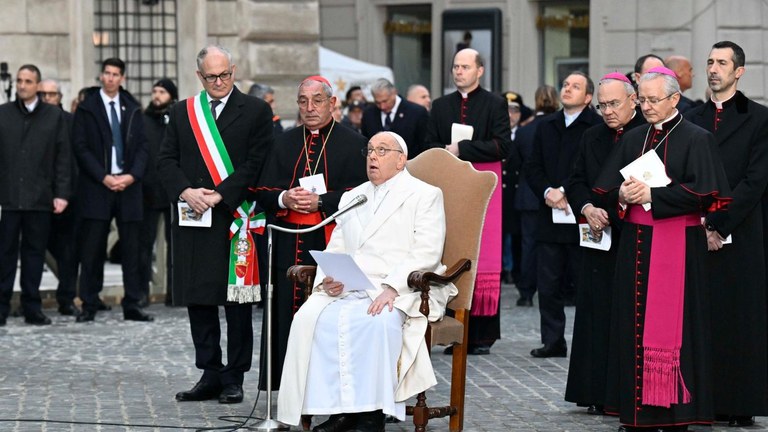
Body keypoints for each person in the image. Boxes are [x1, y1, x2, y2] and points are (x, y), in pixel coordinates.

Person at [277, 131, 458, 431]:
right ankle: (338, 412)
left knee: (376, 321)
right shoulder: (354, 196)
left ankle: (372, 415)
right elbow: (337, 245)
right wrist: (330, 278)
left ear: (401, 161)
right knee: (311, 318)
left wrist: (392, 288)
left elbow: (427, 250)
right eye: (370, 150)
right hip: (352, 285)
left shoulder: (424, 194)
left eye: (383, 150)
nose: (373, 156)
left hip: (402, 287)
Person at [594, 67, 731, 431]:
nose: (648, 106)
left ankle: (674, 414)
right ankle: (634, 413)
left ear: (674, 98)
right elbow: (607, 188)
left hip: (679, 246)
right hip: (635, 246)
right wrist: (621, 196)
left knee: (678, 329)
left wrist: (655, 194)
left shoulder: (697, 138)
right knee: (631, 325)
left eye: (655, 100)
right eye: (643, 100)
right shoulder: (633, 137)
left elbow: (706, 192)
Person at [158, 45, 273, 404]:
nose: (220, 81)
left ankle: (234, 376)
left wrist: (220, 195)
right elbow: (165, 160)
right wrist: (186, 190)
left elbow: (257, 162)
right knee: (200, 299)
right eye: (212, 77)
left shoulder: (255, 110)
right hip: (195, 217)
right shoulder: (182, 112)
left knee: (237, 302)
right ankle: (209, 372)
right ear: (199, 77)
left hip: (235, 217)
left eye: (225, 74)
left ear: (234, 71)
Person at [254, 76, 368, 392]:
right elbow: (262, 191)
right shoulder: (282, 142)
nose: (310, 108)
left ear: (332, 103)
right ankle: (286, 389)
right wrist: (284, 198)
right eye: (303, 101)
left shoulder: (355, 143)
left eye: (317, 100)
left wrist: (322, 200)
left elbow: (365, 193)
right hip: (287, 239)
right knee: (283, 316)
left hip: (331, 240)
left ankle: (328, 391)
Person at [685, 41, 768, 427]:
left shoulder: (759, 119)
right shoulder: (690, 117)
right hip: (692, 230)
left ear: (739, 71)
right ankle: (699, 399)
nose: (713, 69)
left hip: (741, 231)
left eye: (722, 63)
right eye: (709, 62)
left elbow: (755, 180)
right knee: (698, 317)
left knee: (738, 317)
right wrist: (701, 221)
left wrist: (718, 223)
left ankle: (739, 402)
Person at [564, 73, 645, 414]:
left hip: (634, 236)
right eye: (602, 105)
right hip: (598, 237)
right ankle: (596, 389)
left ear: (633, 101)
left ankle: (627, 391)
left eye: (614, 104)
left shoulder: (647, 134)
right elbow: (576, 179)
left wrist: (611, 206)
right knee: (596, 313)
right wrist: (586, 207)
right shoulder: (592, 135)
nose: (608, 111)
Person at [426, 48, 511, 355]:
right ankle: (451, 327)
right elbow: (429, 145)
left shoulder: (495, 103)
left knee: (481, 255)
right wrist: (446, 149)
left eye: (465, 67)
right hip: (449, 190)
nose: (459, 71)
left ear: (480, 71)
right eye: (456, 67)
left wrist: (462, 148)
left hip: (483, 191)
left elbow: (502, 146)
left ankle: (481, 336)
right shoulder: (440, 106)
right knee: (452, 251)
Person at [525, 71, 601, 358]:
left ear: (589, 96)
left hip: (583, 216)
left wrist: (569, 192)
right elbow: (532, 167)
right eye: (566, 85)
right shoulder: (545, 126)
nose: (567, 89)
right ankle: (553, 340)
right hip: (549, 216)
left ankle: (587, 342)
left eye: (576, 86)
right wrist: (548, 192)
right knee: (548, 284)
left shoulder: (596, 126)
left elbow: (592, 169)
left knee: (584, 284)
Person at [72, 58, 151, 323]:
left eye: (116, 74)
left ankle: (133, 303)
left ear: (122, 78)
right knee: (92, 249)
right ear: (101, 76)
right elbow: (80, 148)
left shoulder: (133, 108)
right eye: (106, 73)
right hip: (97, 187)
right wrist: (103, 176)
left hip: (129, 187)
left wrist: (131, 176)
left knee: (132, 249)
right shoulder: (88, 108)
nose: (110, 78)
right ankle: (89, 303)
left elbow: (143, 147)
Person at [0, 65, 71, 326]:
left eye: (27, 81)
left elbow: (63, 157)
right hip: (7, 199)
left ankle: (32, 307)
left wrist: (62, 193)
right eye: (19, 80)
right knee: (4, 255)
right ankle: (1, 306)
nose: (21, 85)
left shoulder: (54, 116)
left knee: (34, 255)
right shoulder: (3, 114)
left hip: (40, 198)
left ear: (37, 86)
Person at [513, 85, 560, 307]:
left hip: (528, 196)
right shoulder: (559, 127)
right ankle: (559, 289)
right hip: (558, 193)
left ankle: (526, 292)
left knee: (529, 245)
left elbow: (516, 163)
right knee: (557, 245)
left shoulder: (524, 131)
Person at [39, 78, 80, 316]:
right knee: (34, 252)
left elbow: (75, 160)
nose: (46, 99)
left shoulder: (71, 122)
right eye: (42, 94)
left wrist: (68, 194)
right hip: (38, 198)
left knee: (68, 253)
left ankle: (67, 299)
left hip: (68, 199)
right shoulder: (33, 120)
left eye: (51, 95)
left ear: (59, 97)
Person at [139, 78, 177, 306]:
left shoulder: (178, 120)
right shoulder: (143, 121)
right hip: (148, 190)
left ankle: (174, 292)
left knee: (175, 246)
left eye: (162, 91)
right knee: (144, 246)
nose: (157, 95)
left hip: (173, 191)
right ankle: (142, 292)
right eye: (154, 91)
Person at [361, 78, 430, 159]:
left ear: (394, 93)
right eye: (378, 103)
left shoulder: (417, 112)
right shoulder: (369, 114)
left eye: (385, 101)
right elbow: (365, 142)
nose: (382, 106)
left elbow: (424, 146)